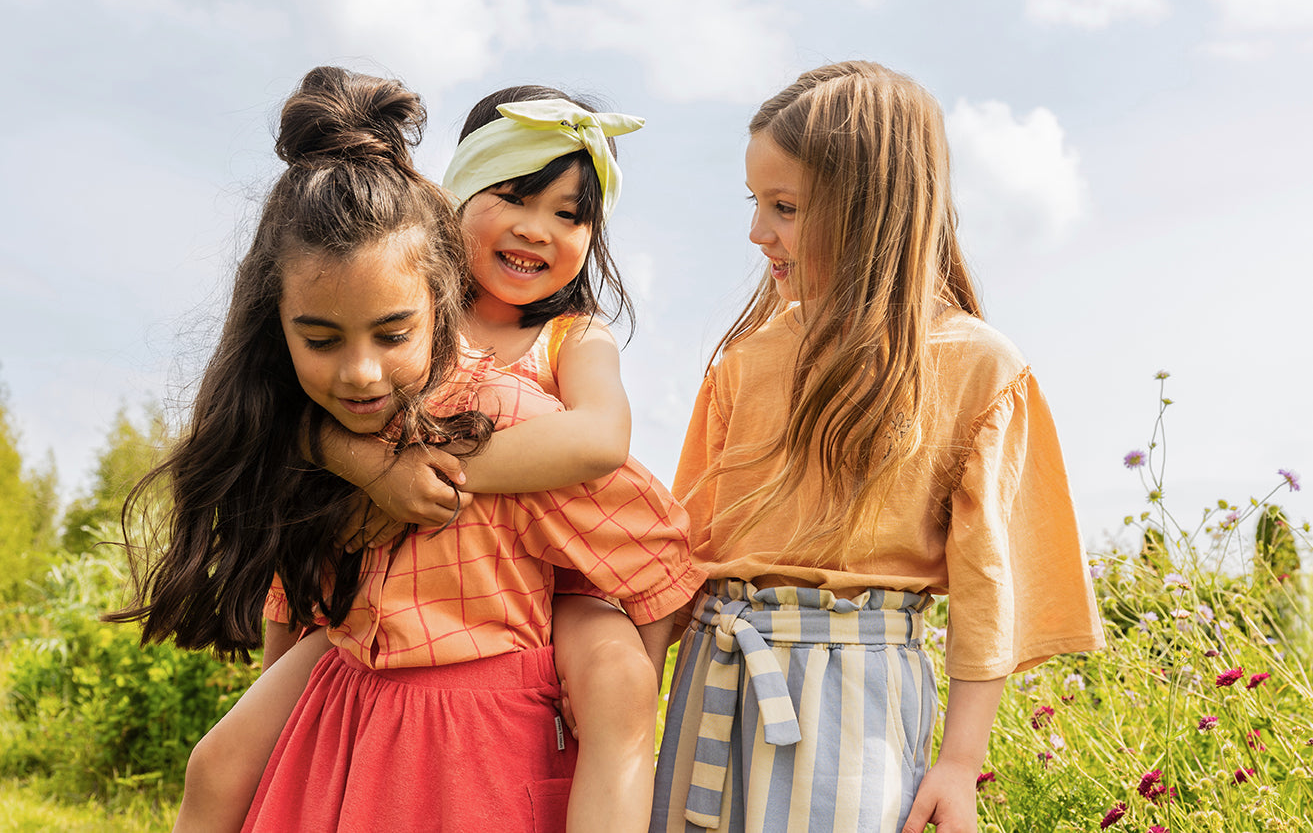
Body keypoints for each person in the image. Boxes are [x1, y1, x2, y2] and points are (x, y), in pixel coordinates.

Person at [109, 66, 700, 833]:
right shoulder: (380, 297)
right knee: (223, 764)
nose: (536, 228)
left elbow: (598, 442)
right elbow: (276, 424)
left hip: (555, 573)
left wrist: (441, 470)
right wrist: (374, 467)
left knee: (617, 685)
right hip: (390, 587)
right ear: (450, 204)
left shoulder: (566, 338)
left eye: (569, 215)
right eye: (513, 197)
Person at [649, 60, 1106, 833]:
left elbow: (991, 584)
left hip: (854, 704)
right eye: (756, 203)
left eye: (785, 207)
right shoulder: (743, 360)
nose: (758, 233)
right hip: (713, 677)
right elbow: (680, 547)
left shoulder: (978, 366)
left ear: (870, 206)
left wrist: (958, 764)